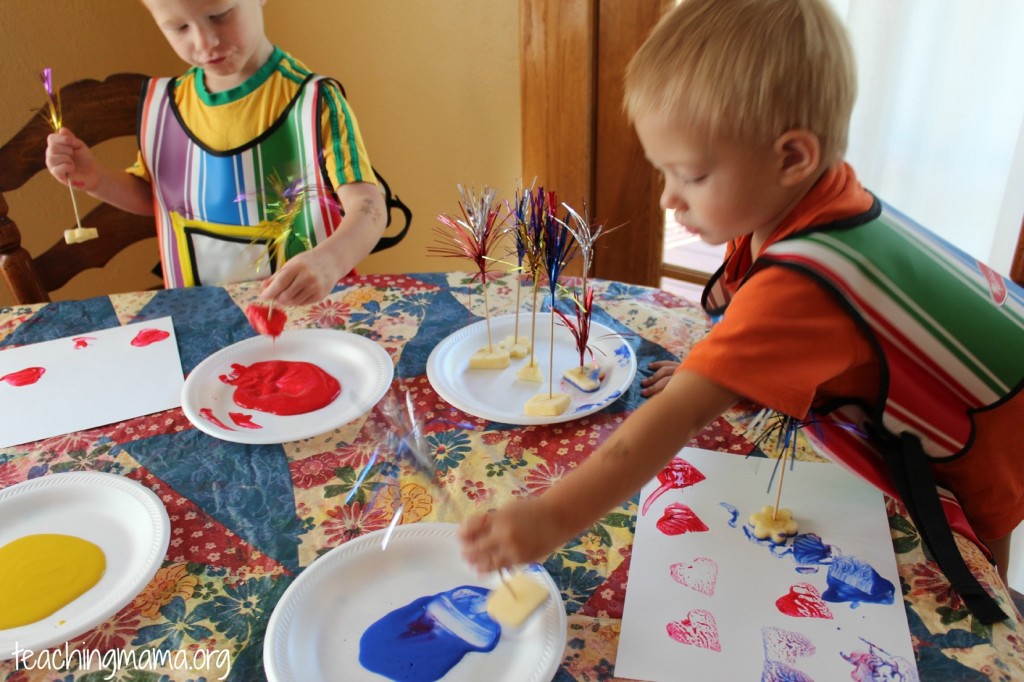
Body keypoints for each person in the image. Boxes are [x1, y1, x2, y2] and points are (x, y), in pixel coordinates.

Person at [459, 0, 1024, 624]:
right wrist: (720, 379)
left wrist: (552, 516)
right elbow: (760, 339)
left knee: (975, 563)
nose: (670, 198)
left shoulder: (805, 281)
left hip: (1000, 417)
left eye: (691, 175)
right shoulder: (792, 200)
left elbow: (670, 424)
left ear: (791, 158)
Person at [44, 0, 386, 305]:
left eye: (220, 15)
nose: (205, 41)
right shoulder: (167, 107)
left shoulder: (313, 102)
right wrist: (97, 179)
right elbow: (161, 200)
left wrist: (331, 260)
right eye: (179, 27)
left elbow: (369, 208)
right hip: (207, 321)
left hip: (313, 319)